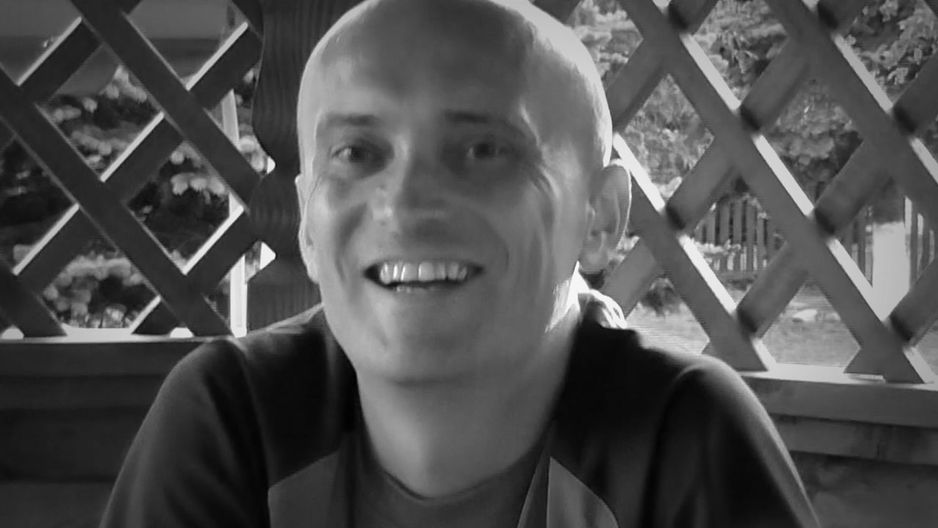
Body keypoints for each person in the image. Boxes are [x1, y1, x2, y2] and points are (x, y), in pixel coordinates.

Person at [100, 0, 819, 526]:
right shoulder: (233, 419)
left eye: (483, 150)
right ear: (309, 227)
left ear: (599, 219)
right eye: (357, 153)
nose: (406, 204)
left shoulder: (682, 439)